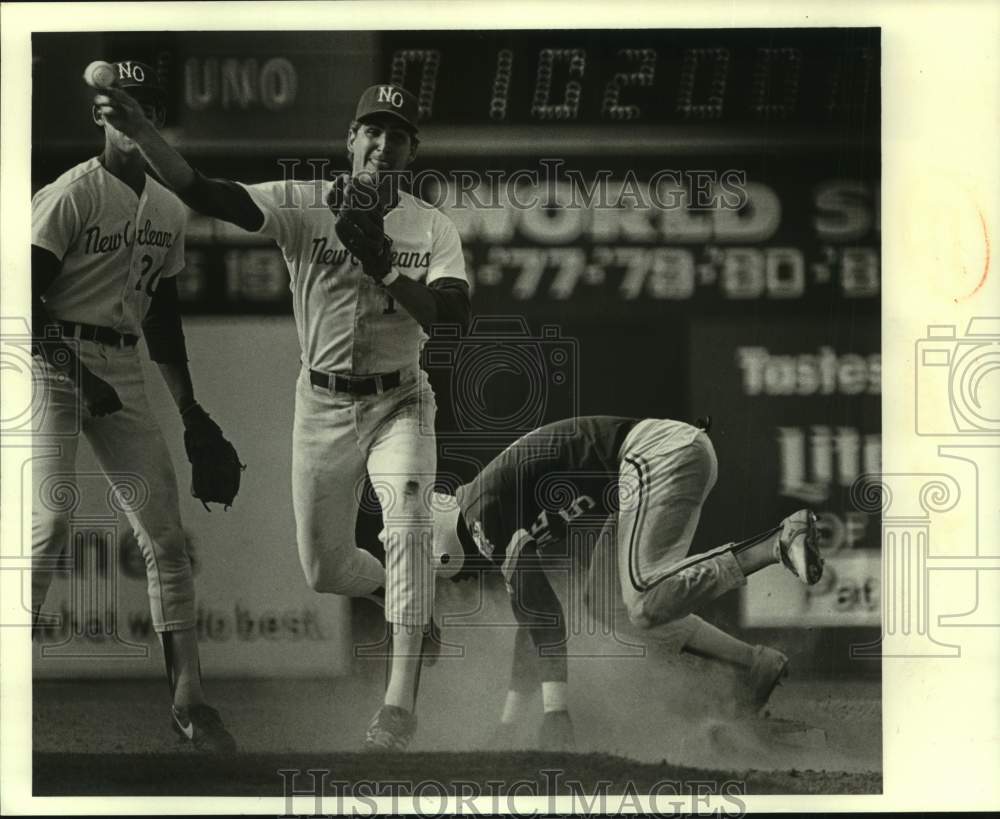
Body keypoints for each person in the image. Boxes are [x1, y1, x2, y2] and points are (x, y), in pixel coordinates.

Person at [92, 81, 472, 750]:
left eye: (398, 135)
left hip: (400, 400)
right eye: (372, 131)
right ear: (351, 141)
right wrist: (143, 131)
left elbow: (454, 318)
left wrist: (386, 268)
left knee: (406, 523)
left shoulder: (430, 225)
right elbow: (205, 192)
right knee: (324, 568)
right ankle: (406, 599)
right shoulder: (303, 202)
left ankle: (397, 706)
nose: (384, 144)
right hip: (322, 405)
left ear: (412, 152)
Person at [31, 60, 237, 753]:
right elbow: (20, 306)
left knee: (168, 540)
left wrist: (191, 409)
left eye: (146, 106)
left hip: (121, 360)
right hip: (49, 361)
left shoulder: (169, 205)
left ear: (159, 122)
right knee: (48, 528)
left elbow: (164, 318)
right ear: (101, 115)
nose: (132, 114)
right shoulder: (70, 195)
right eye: (120, 104)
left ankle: (190, 702)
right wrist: (80, 380)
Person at [423, 415, 824, 750]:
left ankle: (777, 543)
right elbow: (533, 619)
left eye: (464, 572)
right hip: (648, 465)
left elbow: (544, 614)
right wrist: (510, 725)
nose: (473, 577)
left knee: (645, 602)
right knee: (607, 603)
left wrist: (555, 715)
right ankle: (753, 665)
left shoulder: (480, 513)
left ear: (446, 546)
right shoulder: (485, 504)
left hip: (654, 455)